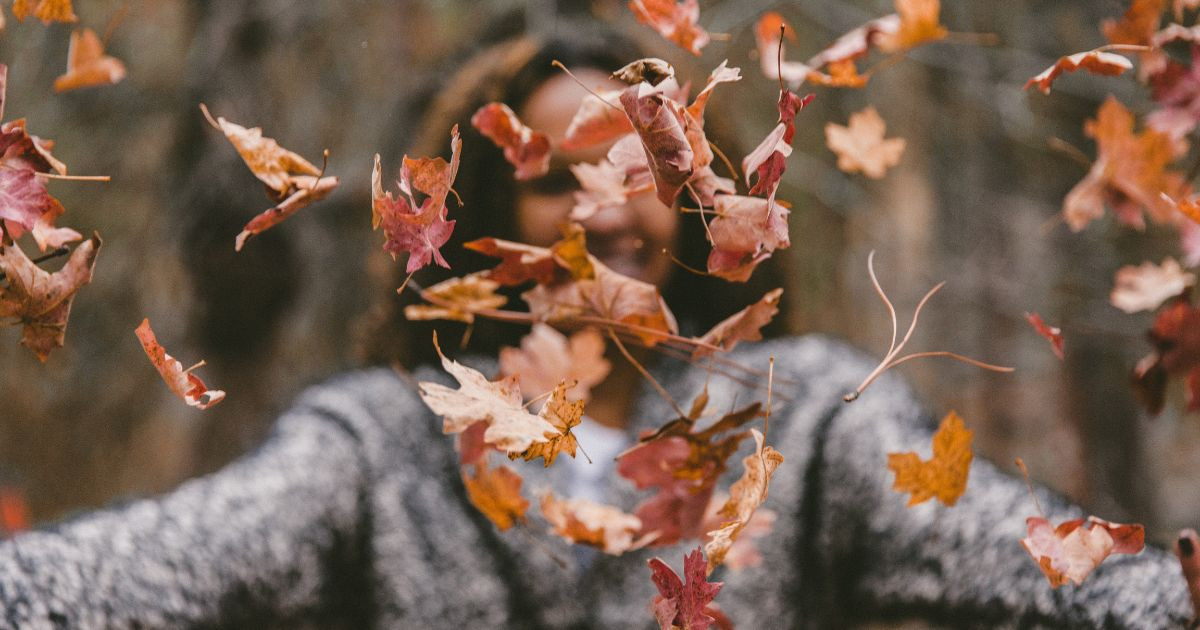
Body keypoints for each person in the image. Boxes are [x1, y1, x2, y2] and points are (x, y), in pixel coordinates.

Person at [0, 20, 1194, 630]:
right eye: (556, 176)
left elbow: (1048, 567)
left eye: (639, 167)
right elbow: (162, 562)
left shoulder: (798, 416)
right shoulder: (384, 443)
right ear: (483, 222)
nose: (604, 205)